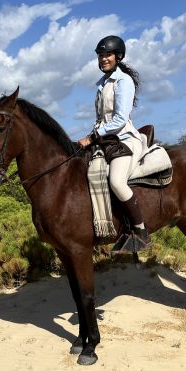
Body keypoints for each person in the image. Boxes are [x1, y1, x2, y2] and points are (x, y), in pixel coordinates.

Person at [77, 35, 151, 254]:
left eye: (107, 55)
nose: (103, 59)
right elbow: (102, 119)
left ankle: (140, 231)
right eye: (100, 55)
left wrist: (92, 137)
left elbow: (119, 119)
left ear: (118, 56)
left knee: (117, 182)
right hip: (106, 139)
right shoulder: (101, 84)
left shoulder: (123, 82)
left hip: (125, 139)